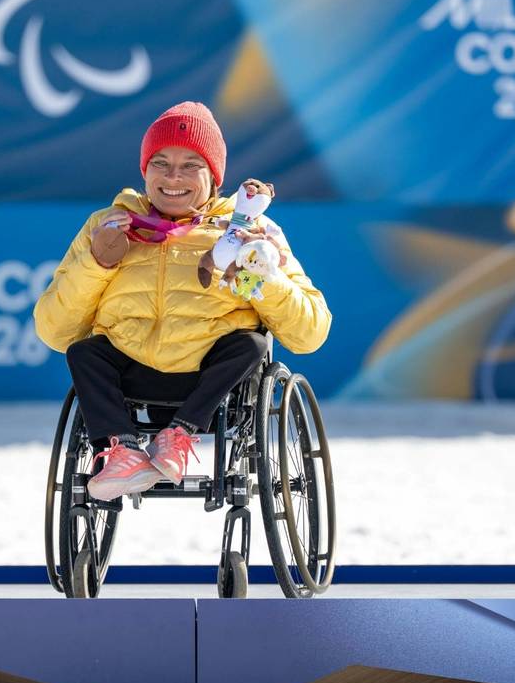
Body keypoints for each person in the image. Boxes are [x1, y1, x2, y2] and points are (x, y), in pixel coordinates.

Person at [33, 101, 331, 501]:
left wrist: (264, 276)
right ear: (145, 170)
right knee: (84, 352)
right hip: (131, 373)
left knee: (251, 345)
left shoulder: (250, 230)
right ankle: (121, 450)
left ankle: (180, 435)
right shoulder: (108, 224)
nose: (174, 177)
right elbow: (54, 330)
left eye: (192, 165)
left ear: (215, 176)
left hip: (211, 383)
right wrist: (99, 262)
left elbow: (310, 333)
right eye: (161, 162)